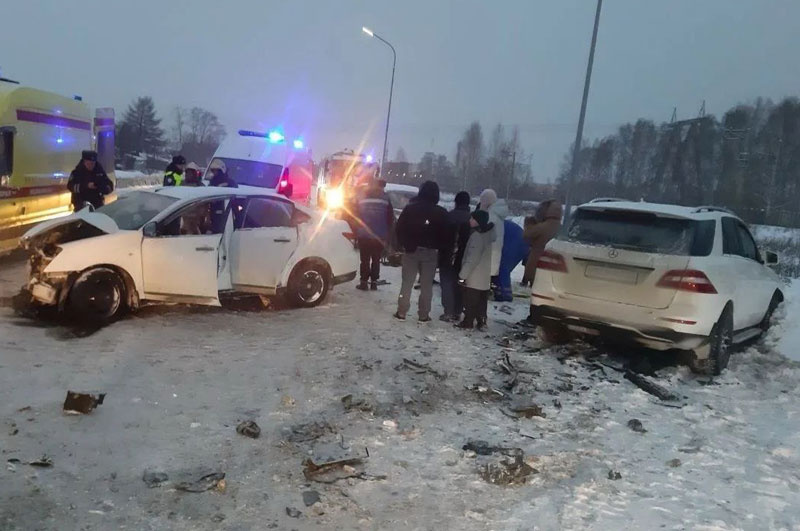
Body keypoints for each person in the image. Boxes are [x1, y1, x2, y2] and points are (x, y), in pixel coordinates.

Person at [394, 180, 448, 322]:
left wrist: (404, 244)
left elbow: (399, 228)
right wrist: (440, 250)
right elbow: (446, 236)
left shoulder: (410, 209)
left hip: (411, 251)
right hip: (431, 252)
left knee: (407, 283)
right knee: (426, 286)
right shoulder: (441, 213)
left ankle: (401, 311)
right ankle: (423, 314)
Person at [520, 199, 564, 326]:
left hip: (538, 263)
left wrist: (529, 224)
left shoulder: (543, 227)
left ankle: (534, 317)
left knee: (537, 294)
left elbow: (526, 235)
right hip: (556, 267)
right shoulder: (562, 228)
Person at [457, 210, 496, 330]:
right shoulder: (489, 234)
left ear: (478, 221)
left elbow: (472, 259)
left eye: (472, 218)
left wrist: (462, 275)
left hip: (474, 276)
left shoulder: (477, 236)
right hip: (484, 276)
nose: (470, 220)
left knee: (470, 301)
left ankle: (468, 322)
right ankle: (482, 321)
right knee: (482, 301)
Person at [355, 180, 394, 291]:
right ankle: (374, 283)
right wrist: (388, 234)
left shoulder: (362, 197)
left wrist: (356, 230)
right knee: (376, 259)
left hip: (364, 234)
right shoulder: (385, 199)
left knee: (365, 260)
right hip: (379, 235)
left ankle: (363, 282)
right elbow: (390, 218)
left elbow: (356, 215)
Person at [439, 191, 471, 321]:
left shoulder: (448, 216)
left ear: (456, 202)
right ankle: (458, 310)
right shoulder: (472, 219)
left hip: (447, 254)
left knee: (446, 283)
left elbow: (440, 236)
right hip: (464, 257)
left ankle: (448, 311)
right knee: (460, 283)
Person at [478, 188, 509, 290]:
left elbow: (483, 232)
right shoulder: (497, 213)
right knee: (489, 275)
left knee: (483, 277)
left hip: (488, 249)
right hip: (495, 248)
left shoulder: (490, 214)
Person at [494, 219, 531, 302]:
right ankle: (500, 290)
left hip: (515, 242)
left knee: (502, 267)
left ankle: (505, 295)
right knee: (500, 267)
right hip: (519, 240)